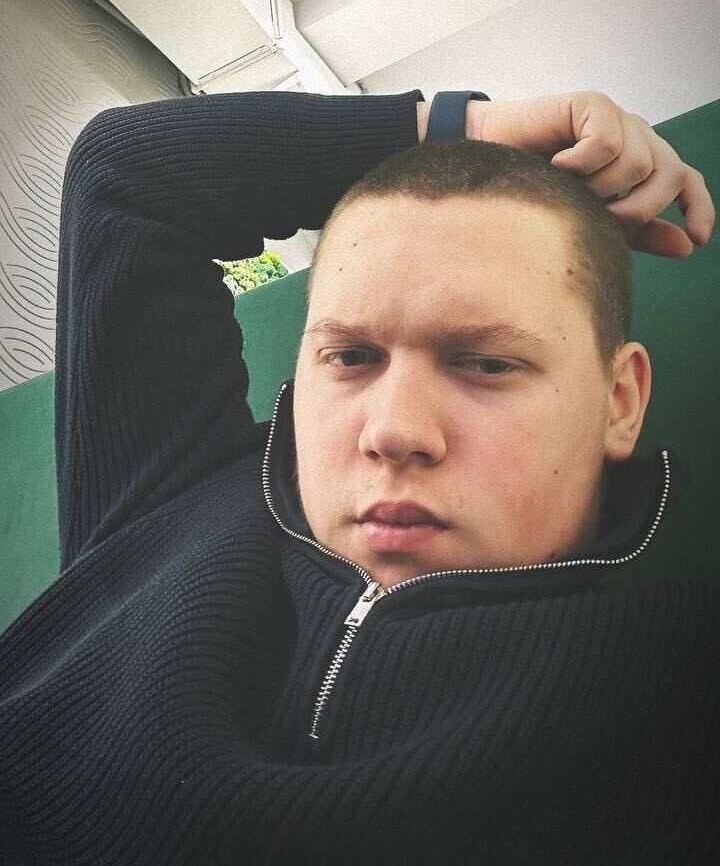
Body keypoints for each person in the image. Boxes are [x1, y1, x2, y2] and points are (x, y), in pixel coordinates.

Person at [0, 86, 716, 866]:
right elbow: (124, 173)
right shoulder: (167, 498)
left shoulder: (676, 699)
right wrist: (462, 129)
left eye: (486, 364)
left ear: (619, 402)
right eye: (350, 356)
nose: (394, 432)